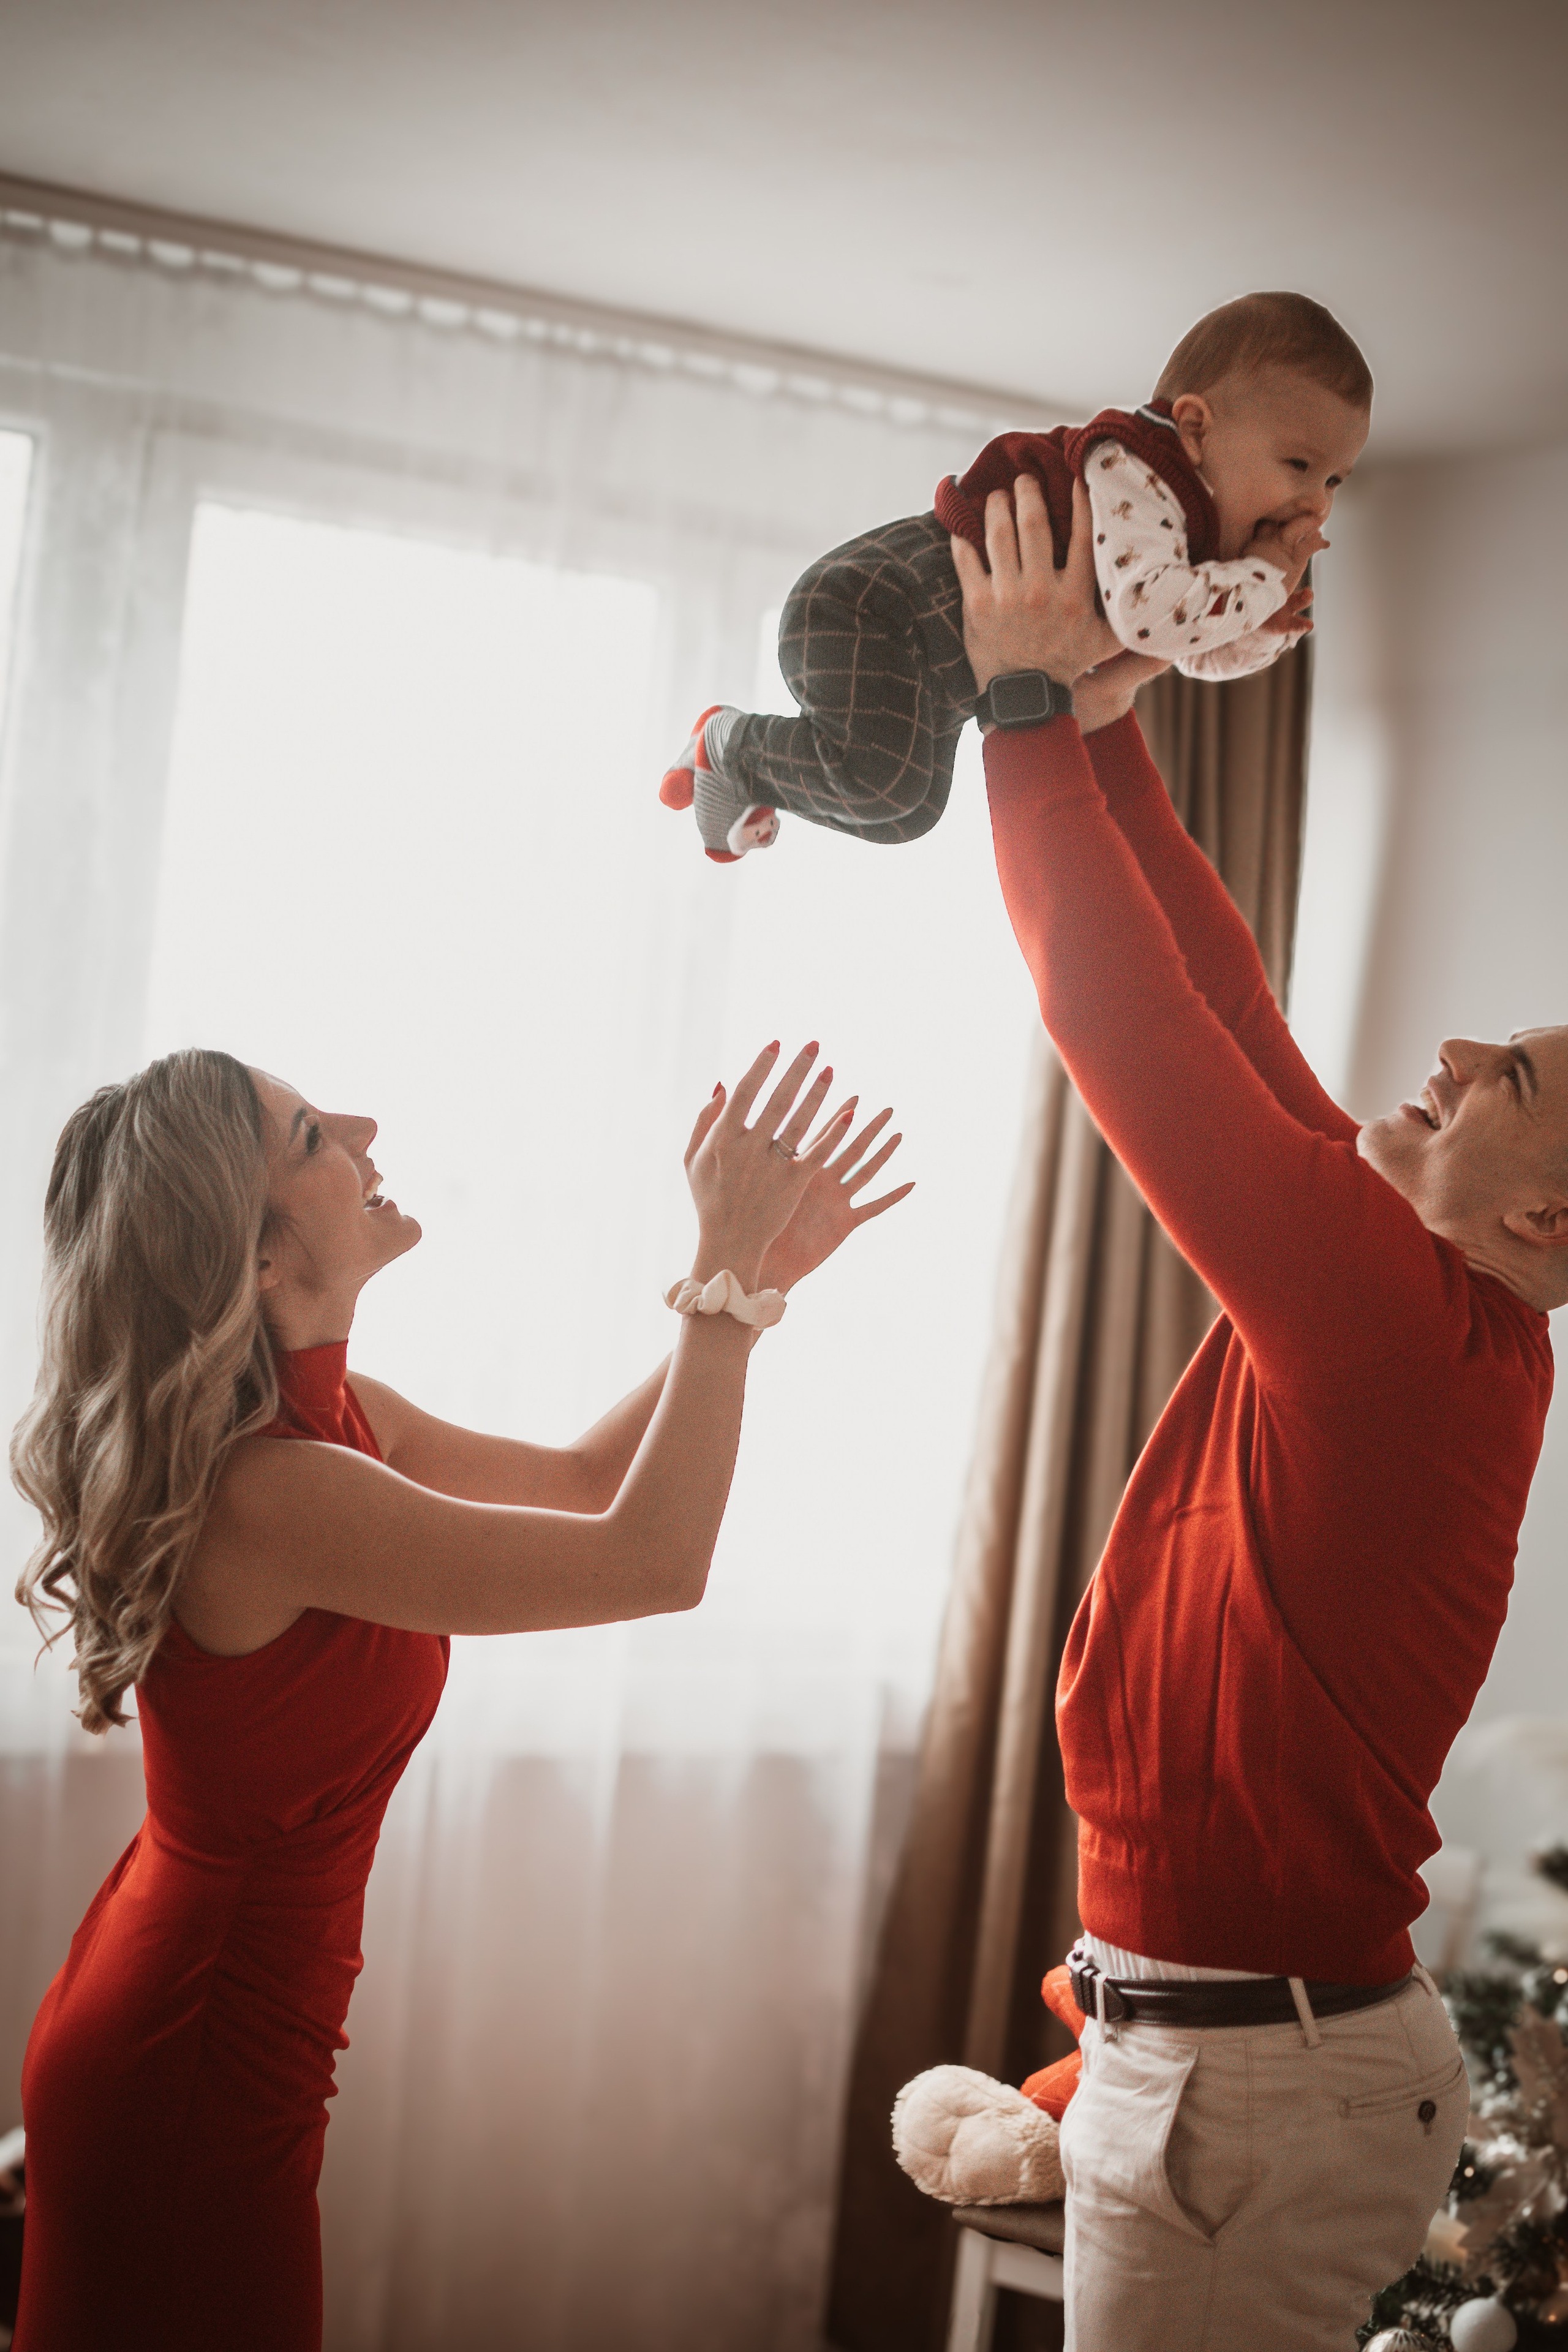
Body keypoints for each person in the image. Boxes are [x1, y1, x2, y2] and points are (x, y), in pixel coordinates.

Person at [8, 1039, 911, 2352]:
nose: (364, 1124)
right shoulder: (268, 1492)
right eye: (313, 1132)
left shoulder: (335, 1422)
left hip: (202, 2019)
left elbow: (595, 1481)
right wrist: (717, 1292)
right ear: (255, 1257)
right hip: (192, 2054)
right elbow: (653, 1563)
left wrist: (749, 1280)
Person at [946, 473, 1563, 2347]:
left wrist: (1022, 708)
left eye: (1510, 1070)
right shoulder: (1404, 1294)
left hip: (1255, 2088)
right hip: (1235, 2058)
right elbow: (1214, 988)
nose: (1448, 1051)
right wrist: (1113, 728)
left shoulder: (1397, 1322)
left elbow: (1132, 1029)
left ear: (1537, 1218)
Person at [659, 291, 1366, 861]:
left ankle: (747, 767)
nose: (1316, 501)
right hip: (868, 607)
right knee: (887, 783)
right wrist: (1264, 576)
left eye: (1335, 478)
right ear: (1195, 426)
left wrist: (1261, 627)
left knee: (904, 811)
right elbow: (1151, 620)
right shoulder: (1138, 470)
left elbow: (1188, 651)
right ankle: (731, 742)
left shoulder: (1192, 553)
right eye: (1298, 466)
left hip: (926, 668)